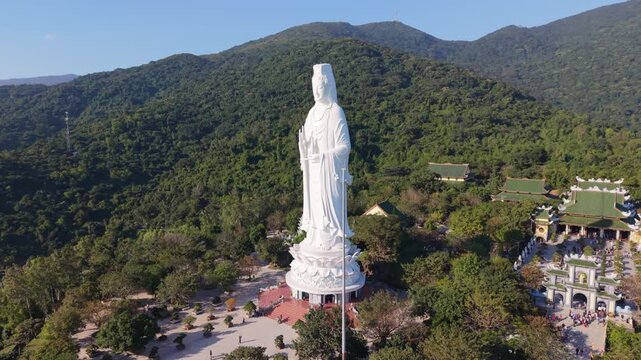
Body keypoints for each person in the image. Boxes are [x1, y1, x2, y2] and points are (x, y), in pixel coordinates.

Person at [298, 63, 352, 251]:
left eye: (319, 87)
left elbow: (345, 146)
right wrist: (304, 150)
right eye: (313, 87)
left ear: (328, 86)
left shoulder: (335, 112)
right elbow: (306, 144)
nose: (316, 92)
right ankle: (314, 237)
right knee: (315, 207)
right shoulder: (312, 113)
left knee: (329, 208)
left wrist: (323, 156)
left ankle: (332, 240)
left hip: (329, 172)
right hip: (314, 172)